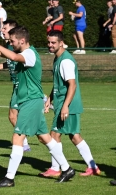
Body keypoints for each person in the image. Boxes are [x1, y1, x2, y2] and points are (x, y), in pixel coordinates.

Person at [0, 27, 75, 187]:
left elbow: (13, 56)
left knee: (18, 137)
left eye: (12, 41)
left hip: (31, 101)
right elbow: (6, 55)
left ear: (22, 41)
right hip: (31, 101)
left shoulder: (29, 54)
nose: (10, 43)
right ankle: (67, 168)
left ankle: (9, 178)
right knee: (45, 137)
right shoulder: (25, 52)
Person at [40, 30, 100, 178]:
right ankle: (92, 167)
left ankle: (55, 168)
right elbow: (60, 83)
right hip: (63, 103)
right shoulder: (58, 58)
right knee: (74, 136)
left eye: (53, 42)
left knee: (54, 135)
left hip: (67, 105)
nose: (50, 45)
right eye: (49, 42)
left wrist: (65, 106)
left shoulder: (65, 60)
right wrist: (50, 99)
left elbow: (72, 85)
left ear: (61, 43)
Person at [0, 19, 30, 152]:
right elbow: (11, 60)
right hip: (18, 85)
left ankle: (23, 142)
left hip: (22, 86)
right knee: (15, 116)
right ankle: (44, 100)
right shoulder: (10, 46)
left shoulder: (17, 47)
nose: (2, 30)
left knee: (13, 116)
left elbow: (15, 58)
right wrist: (2, 65)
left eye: (5, 28)